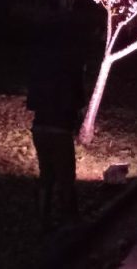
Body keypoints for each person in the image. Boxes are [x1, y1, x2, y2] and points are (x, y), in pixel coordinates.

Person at [26, 18, 86, 231]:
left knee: (46, 174)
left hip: (40, 127)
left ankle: (43, 219)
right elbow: (78, 100)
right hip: (60, 128)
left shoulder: (41, 65)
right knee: (65, 176)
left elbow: (31, 101)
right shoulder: (71, 67)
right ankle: (69, 220)